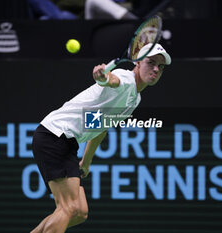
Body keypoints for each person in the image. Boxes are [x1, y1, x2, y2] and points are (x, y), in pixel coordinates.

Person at [30, 43, 171, 233]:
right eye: (151, 62)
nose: (155, 69)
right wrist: (103, 78)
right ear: (137, 62)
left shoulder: (135, 99)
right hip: (55, 135)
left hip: (65, 141)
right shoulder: (125, 79)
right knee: (68, 207)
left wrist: (86, 161)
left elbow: (100, 127)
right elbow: (112, 80)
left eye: (160, 66)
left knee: (79, 212)